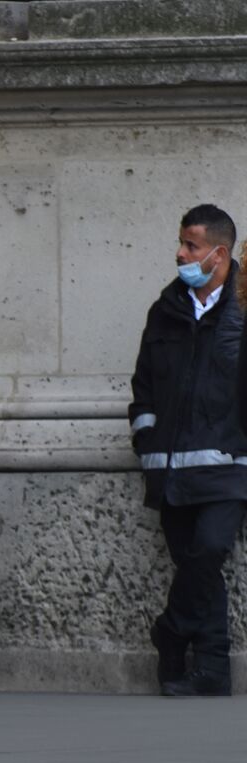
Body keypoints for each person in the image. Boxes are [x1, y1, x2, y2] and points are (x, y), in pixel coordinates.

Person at [130, 204, 245, 697]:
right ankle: (211, 669)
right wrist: (145, 434)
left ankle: (171, 632)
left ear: (219, 253)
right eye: (181, 243)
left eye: (191, 245)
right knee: (200, 568)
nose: (180, 253)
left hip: (229, 465)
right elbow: (144, 383)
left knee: (210, 550)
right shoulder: (166, 307)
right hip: (170, 467)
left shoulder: (242, 306)